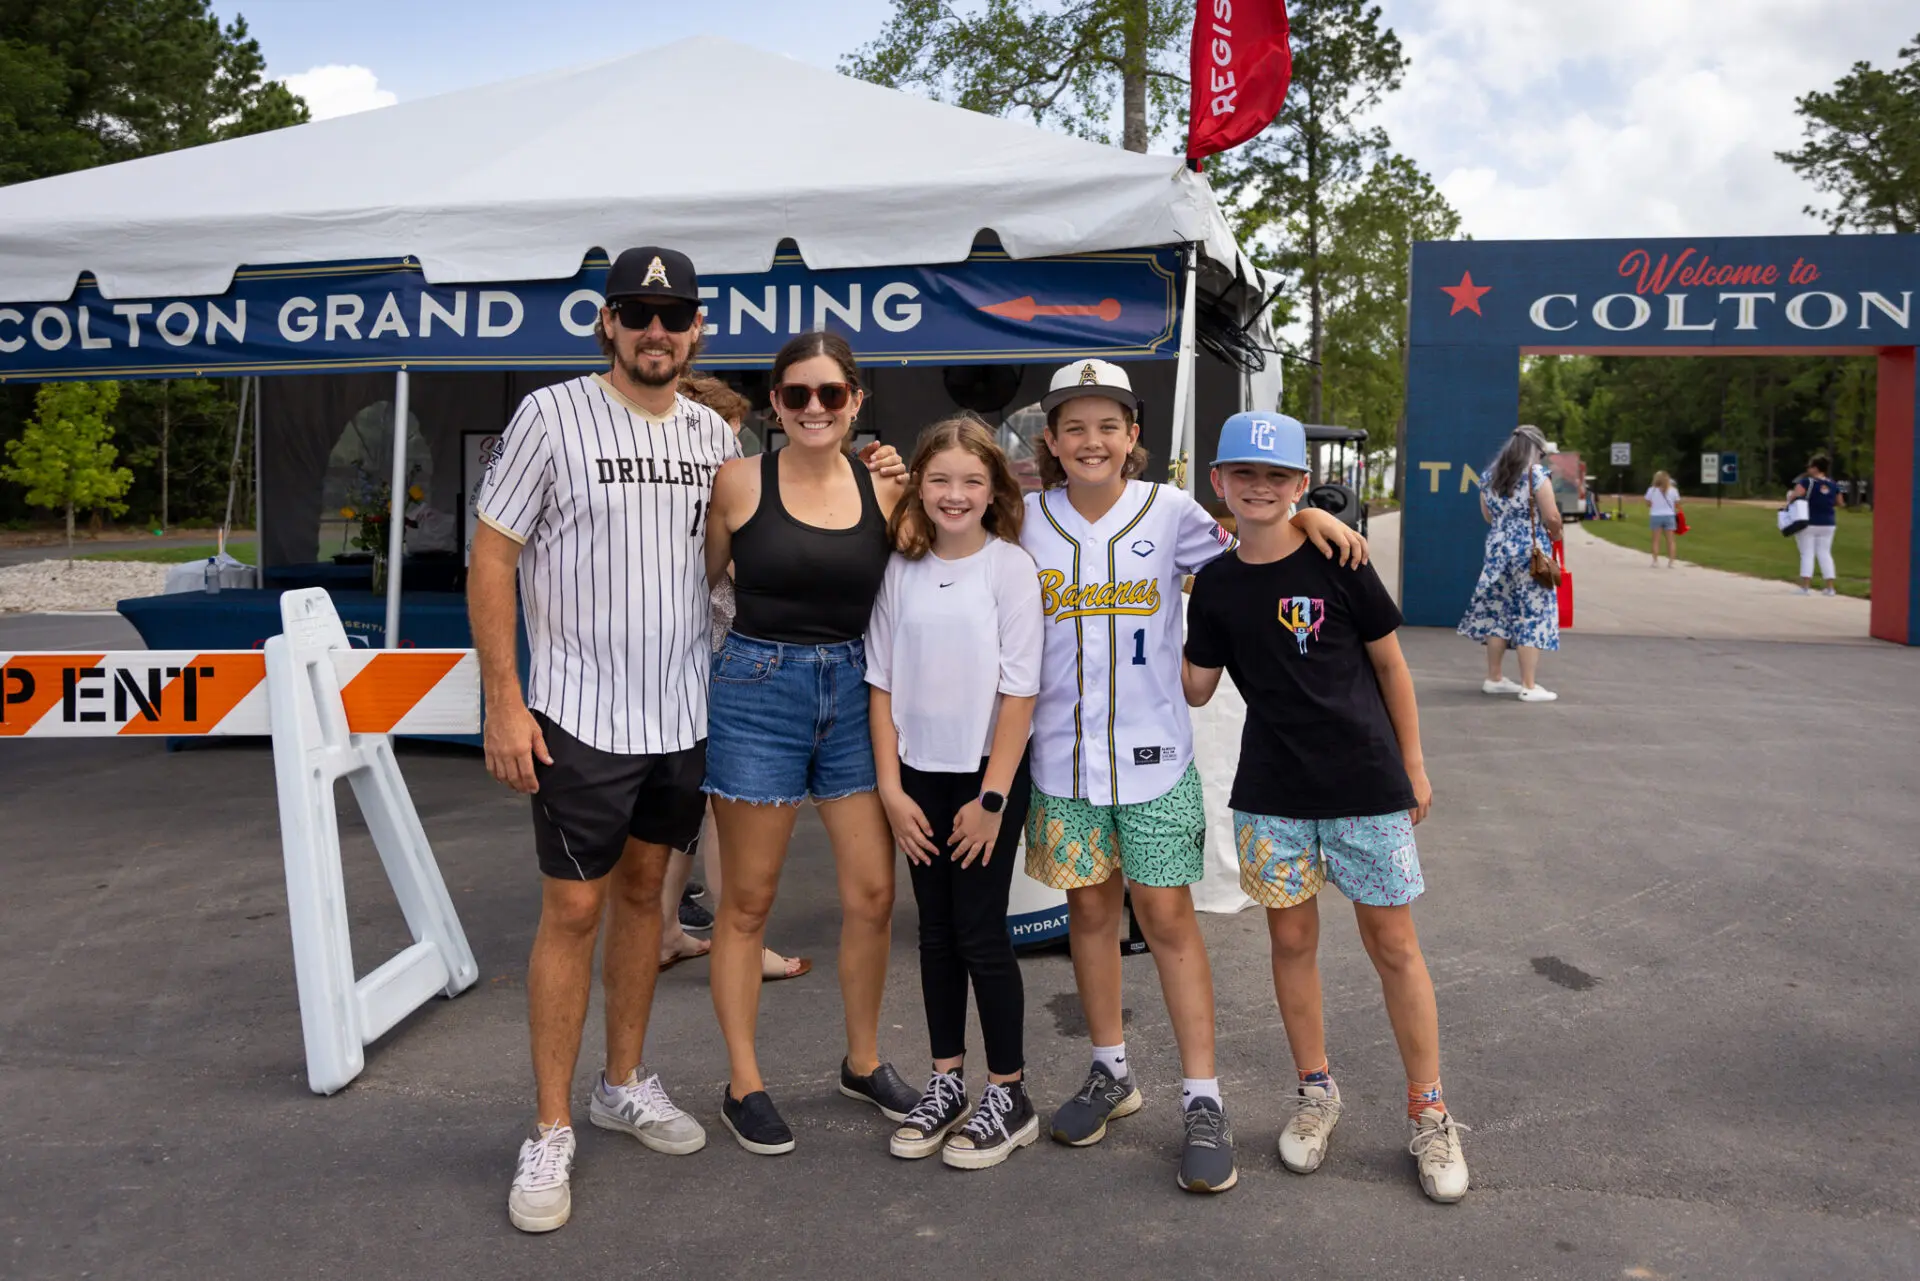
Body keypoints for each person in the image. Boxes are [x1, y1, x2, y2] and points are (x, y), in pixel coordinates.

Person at [1020, 360, 1367, 1194]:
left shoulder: (1170, 510)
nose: (1092, 440)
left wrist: (1308, 511)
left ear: (1133, 435)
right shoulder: (1024, 519)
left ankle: (1202, 1098)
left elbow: (1259, 546)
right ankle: (1110, 1070)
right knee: (1088, 913)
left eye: (1109, 425)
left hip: (1155, 758)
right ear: (1052, 439)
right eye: (1075, 426)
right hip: (1061, 759)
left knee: (1169, 919)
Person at [471, 246, 722, 1233]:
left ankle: (622, 1083)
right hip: (579, 711)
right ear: (607, 323)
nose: (657, 330)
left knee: (646, 900)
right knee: (573, 910)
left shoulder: (713, 434)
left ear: (697, 329)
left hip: (681, 711)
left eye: (674, 314)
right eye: (637, 312)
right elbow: (493, 557)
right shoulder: (550, 414)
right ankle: (548, 1127)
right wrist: (504, 699)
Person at [1183, 412, 1469, 1205]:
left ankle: (1430, 1110)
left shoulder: (1341, 558)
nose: (1260, 487)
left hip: (1365, 785)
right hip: (1271, 794)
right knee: (1291, 940)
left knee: (1394, 944)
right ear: (1219, 480)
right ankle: (1316, 1092)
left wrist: (1414, 765)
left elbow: (1392, 666)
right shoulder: (1216, 582)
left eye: (1277, 476)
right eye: (1244, 474)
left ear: (1301, 484)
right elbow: (1196, 686)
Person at [703, 330, 917, 1154]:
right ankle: (743, 1082)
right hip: (758, 687)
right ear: (775, 403)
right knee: (748, 901)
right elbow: (697, 587)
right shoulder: (738, 482)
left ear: (856, 400)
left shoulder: (885, 488)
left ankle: (863, 1061)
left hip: (858, 690)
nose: (815, 408)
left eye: (832, 393)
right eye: (797, 394)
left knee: (873, 894)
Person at [867, 416, 1044, 1169]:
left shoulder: (1010, 568)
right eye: (940, 478)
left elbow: (1021, 691)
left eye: (972, 480)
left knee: (979, 932)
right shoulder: (899, 568)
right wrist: (890, 788)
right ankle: (946, 1081)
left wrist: (993, 799)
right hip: (917, 781)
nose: (955, 493)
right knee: (935, 933)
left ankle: (1009, 1092)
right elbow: (880, 682)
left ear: (994, 488)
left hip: (985, 782)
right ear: (918, 484)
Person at [659, 373, 810, 983]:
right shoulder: (720, 490)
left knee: (688, 807)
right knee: (729, 812)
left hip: (681, 660)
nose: (733, 450)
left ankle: (665, 930)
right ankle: (740, 941)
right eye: (728, 435)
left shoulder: (675, 490)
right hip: (725, 659)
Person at [1458, 424, 1561, 703]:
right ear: (1536, 450)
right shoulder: (1536, 475)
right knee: (1532, 612)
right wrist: (1556, 533)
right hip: (1530, 553)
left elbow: (1488, 516)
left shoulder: (1490, 476)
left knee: (1499, 612)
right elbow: (1551, 516)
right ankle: (1529, 685)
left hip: (1497, 552)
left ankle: (1494, 678)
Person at [1790, 454, 1839, 596]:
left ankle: (1805, 586)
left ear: (1816, 468)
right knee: (1825, 553)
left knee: (1807, 553)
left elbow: (1794, 496)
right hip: (1828, 523)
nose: (1808, 469)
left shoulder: (1806, 482)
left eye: (1810, 466)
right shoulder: (1833, 484)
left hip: (1809, 522)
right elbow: (1839, 502)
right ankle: (1830, 587)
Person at [1645, 469, 1682, 567]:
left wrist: (1655, 505)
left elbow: (1648, 503)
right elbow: (1677, 504)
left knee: (1656, 540)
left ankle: (1655, 561)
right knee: (1671, 540)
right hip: (1669, 516)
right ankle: (1671, 562)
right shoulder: (1673, 490)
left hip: (1656, 515)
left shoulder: (1652, 490)